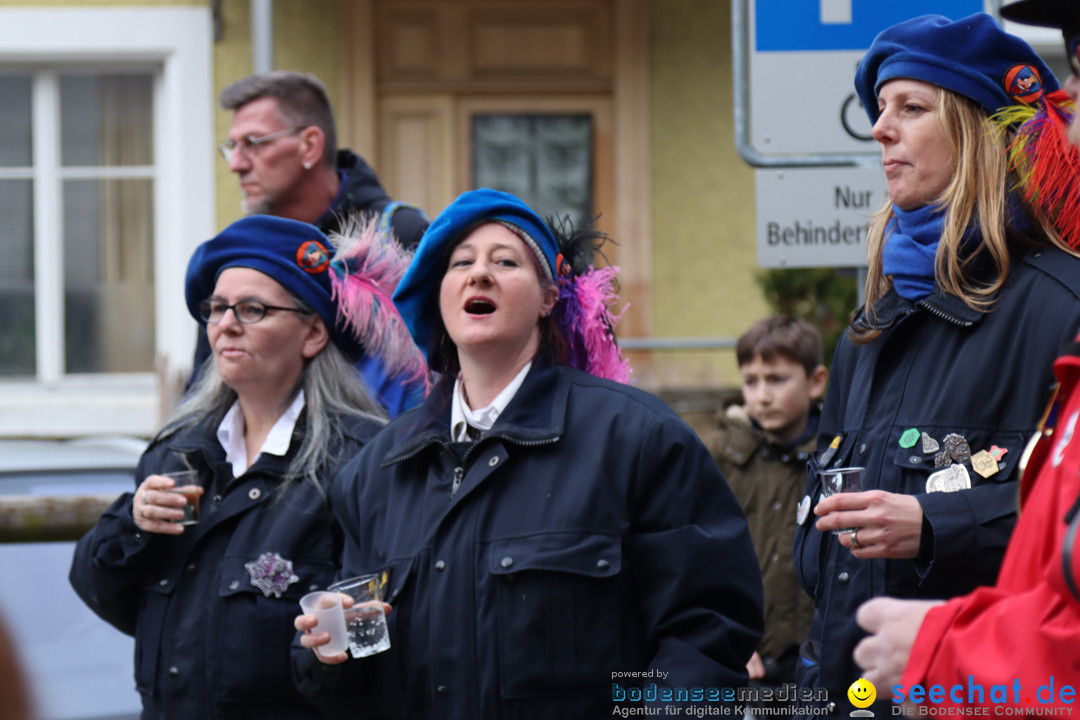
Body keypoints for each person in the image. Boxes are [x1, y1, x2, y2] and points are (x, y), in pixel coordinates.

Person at [291, 188, 764, 718]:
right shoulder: (375, 471)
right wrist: (331, 654)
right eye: (461, 263)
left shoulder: (637, 437)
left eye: (506, 261)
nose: (479, 274)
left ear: (547, 298)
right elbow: (358, 676)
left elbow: (707, 630)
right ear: (437, 297)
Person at [791, 12, 1080, 716]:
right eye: (881, 109)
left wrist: (934, 524)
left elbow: (1058, 544)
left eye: (912, 108)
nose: (880, 129)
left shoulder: (1063, 308)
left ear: (982, 132)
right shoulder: (871, 326)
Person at [69, 214, 418, 718]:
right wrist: (133, 525)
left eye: (253, 309)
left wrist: (332, 651)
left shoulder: (365, 460)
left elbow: (387, 635)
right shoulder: (178, 450)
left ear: (313, 333)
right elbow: (103, 593)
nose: (226, 323)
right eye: (217, 308)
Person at [193, 70, 431, 416]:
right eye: (232, 148)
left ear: (309, 145)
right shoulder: (238, 254)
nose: (237, 165)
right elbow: (201, 395)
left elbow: (445, 376)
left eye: (254, 143)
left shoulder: (398, 235)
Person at [703, 316, 826, 700]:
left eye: (776, 379)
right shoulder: (717, 455)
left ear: (816, 382)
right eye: (751, 381)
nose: (762, 395)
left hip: (814, 661)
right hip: (740, 662)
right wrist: (723, 637)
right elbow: (698, 558)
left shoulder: (835, 459)